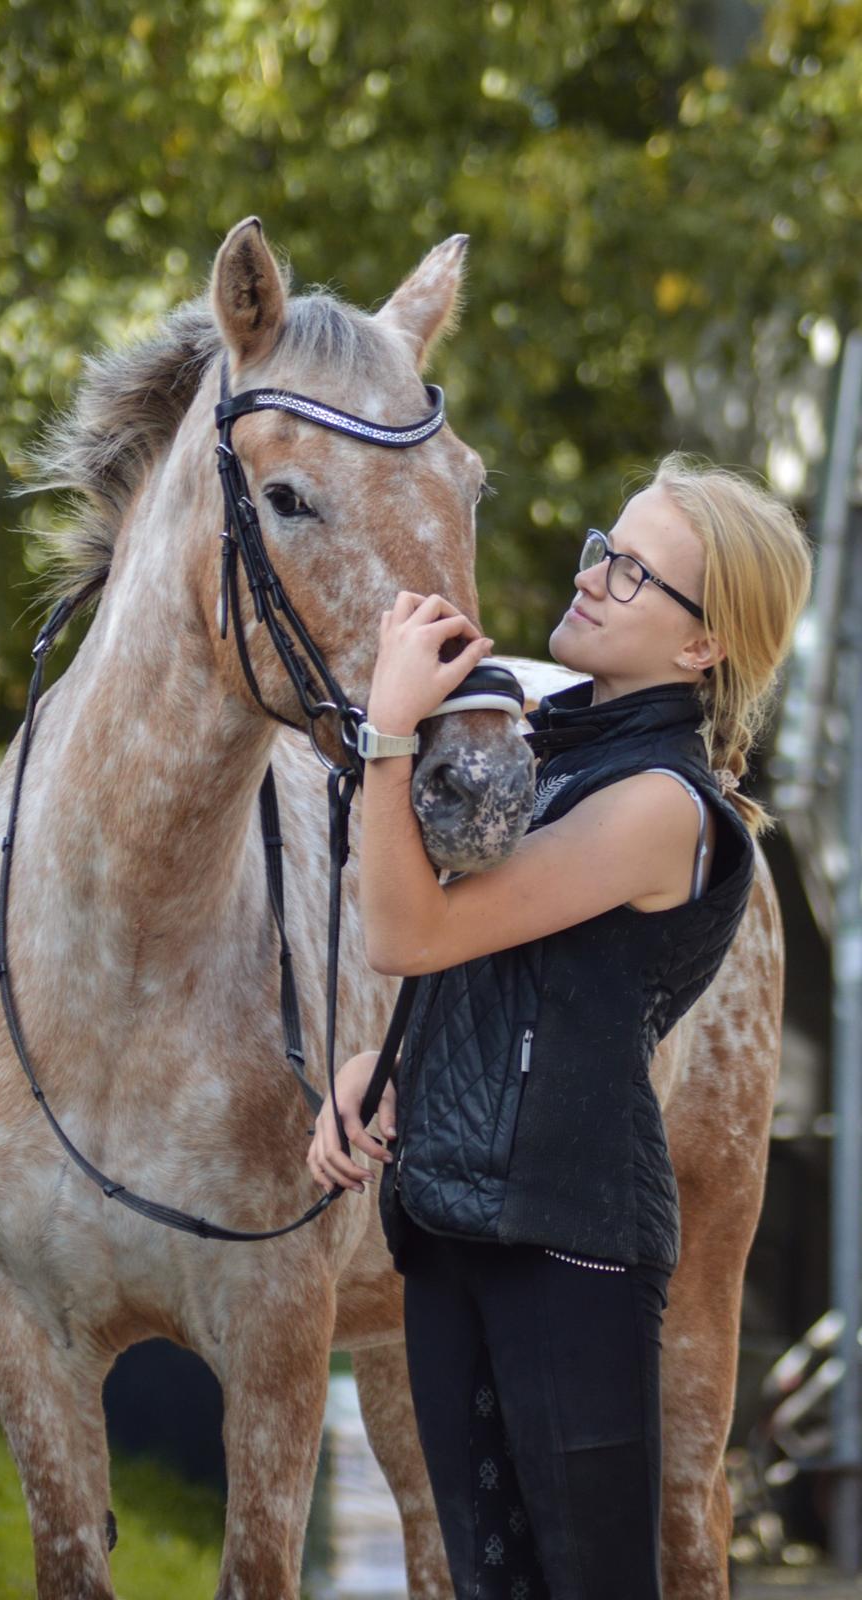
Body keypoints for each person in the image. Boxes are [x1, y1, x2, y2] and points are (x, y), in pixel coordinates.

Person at [306, 453, 813, 1600]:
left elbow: (409, 932)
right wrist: (377, 1067)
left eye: (632, 574)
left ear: (700, 646)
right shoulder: (549, 738)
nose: (592, 578)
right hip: (447, 1228)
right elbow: (488, 975)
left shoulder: (657, 803)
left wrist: (391, 729)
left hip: (570, 1247)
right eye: (605, 548)